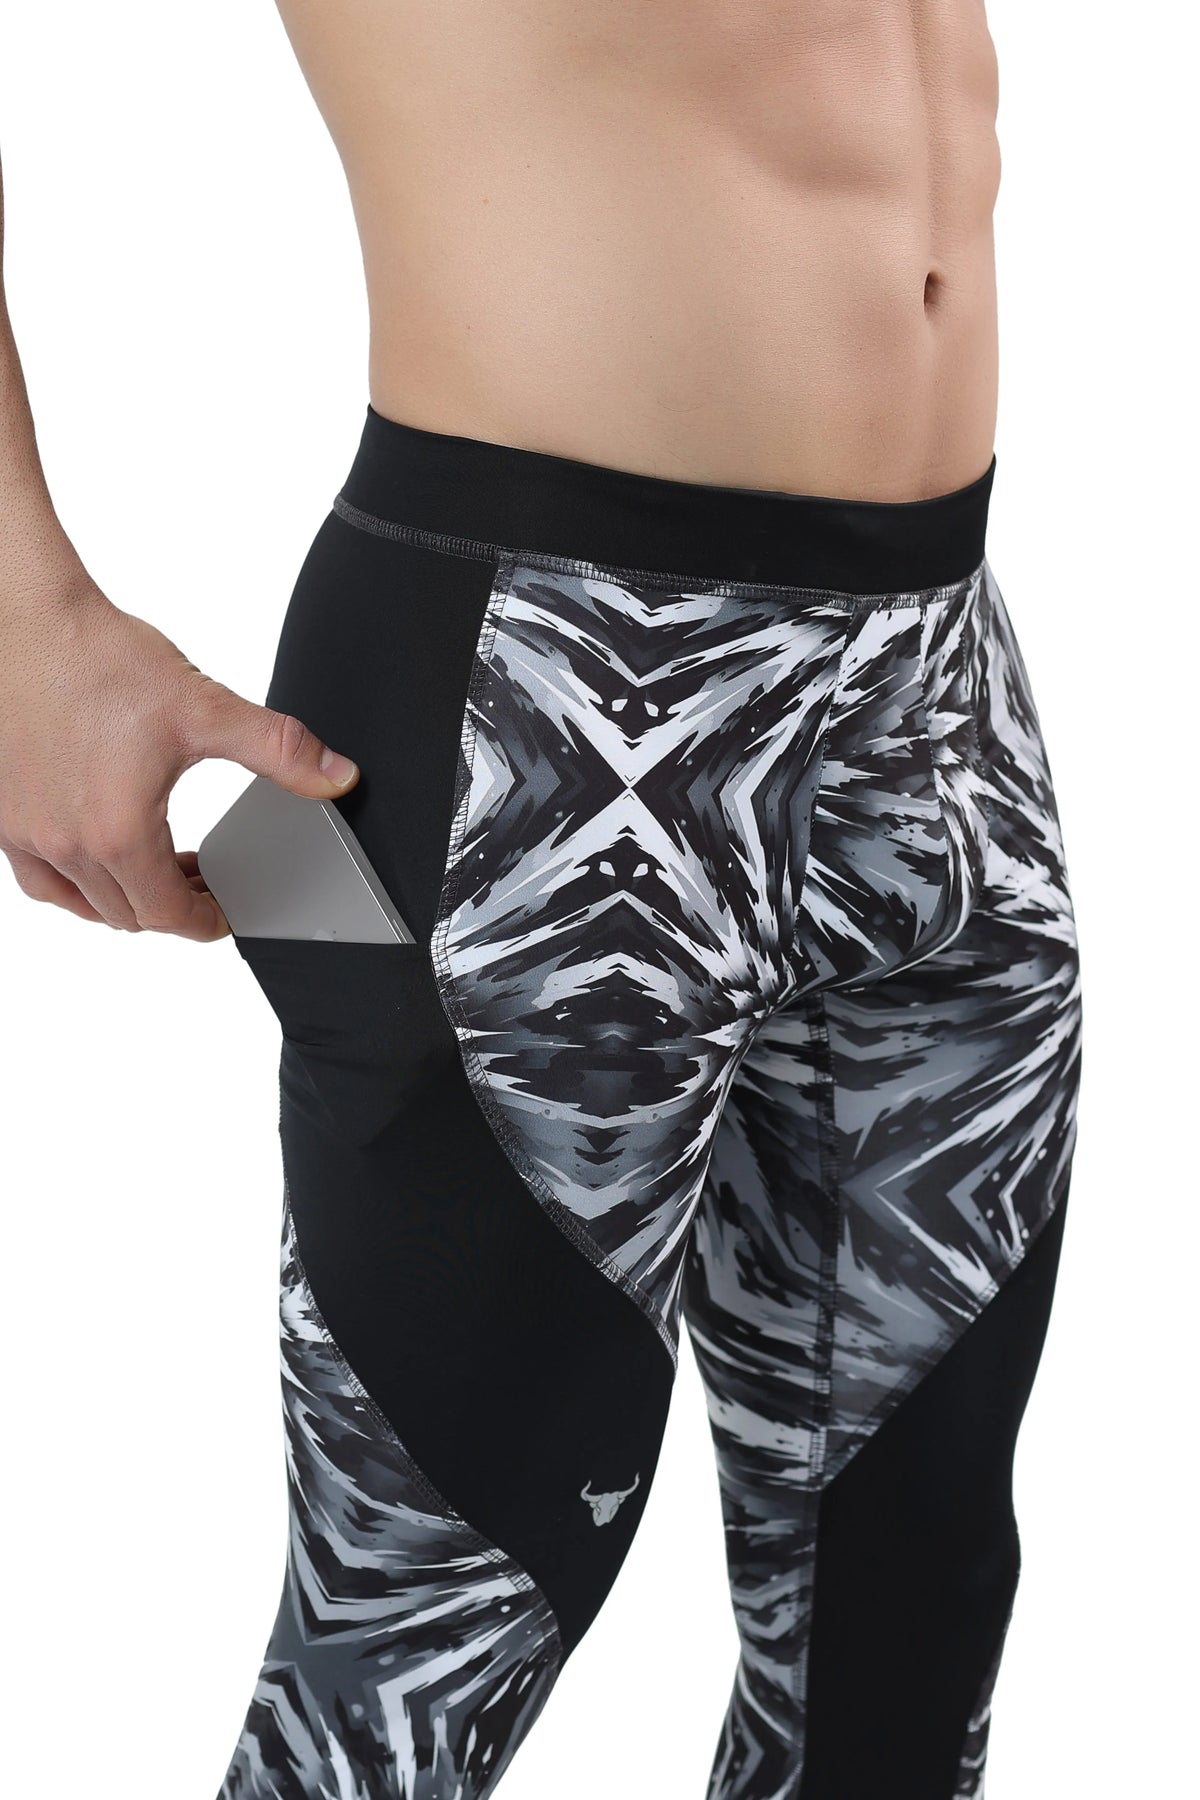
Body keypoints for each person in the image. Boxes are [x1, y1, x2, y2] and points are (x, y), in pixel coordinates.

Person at [0, 4, 1082, 1796]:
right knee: (430, 1641)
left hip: (939, 691)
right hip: (530, 707)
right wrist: (18, 615)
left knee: (905, 1623)